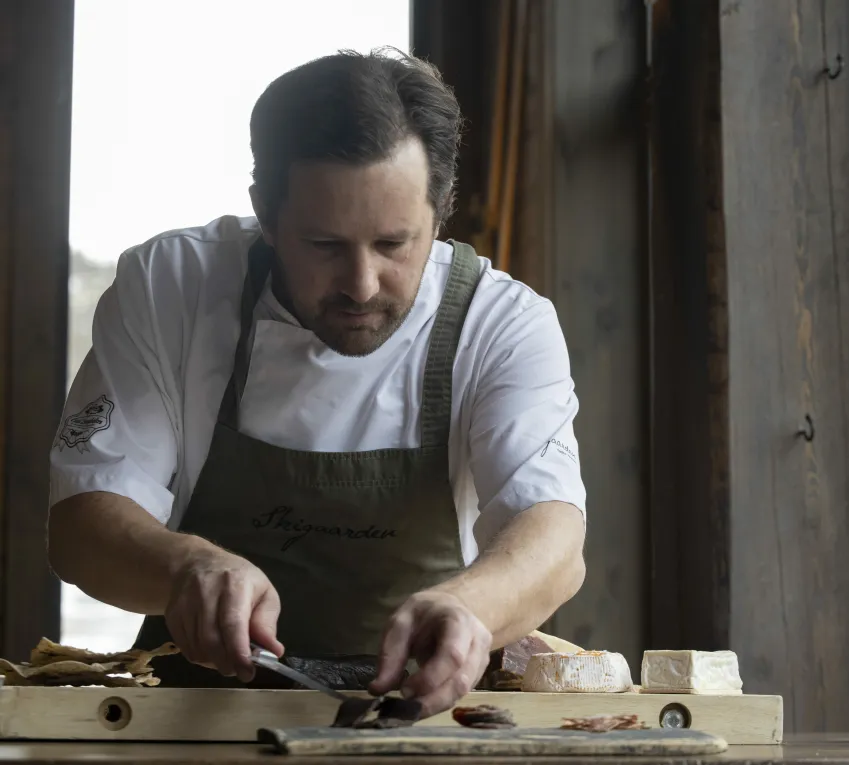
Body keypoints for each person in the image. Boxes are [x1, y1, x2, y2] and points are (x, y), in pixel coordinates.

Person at [46, 49, 586, 717]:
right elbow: (83, 523)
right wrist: (189, 566)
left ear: (440, 212)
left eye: (393, 244)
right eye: (325, 246)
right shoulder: (173, 288)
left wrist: (470, 606)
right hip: (189, 721)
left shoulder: (502, 323)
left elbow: (553, 536)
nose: (361, 285)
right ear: (266, 216)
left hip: (419, 723)